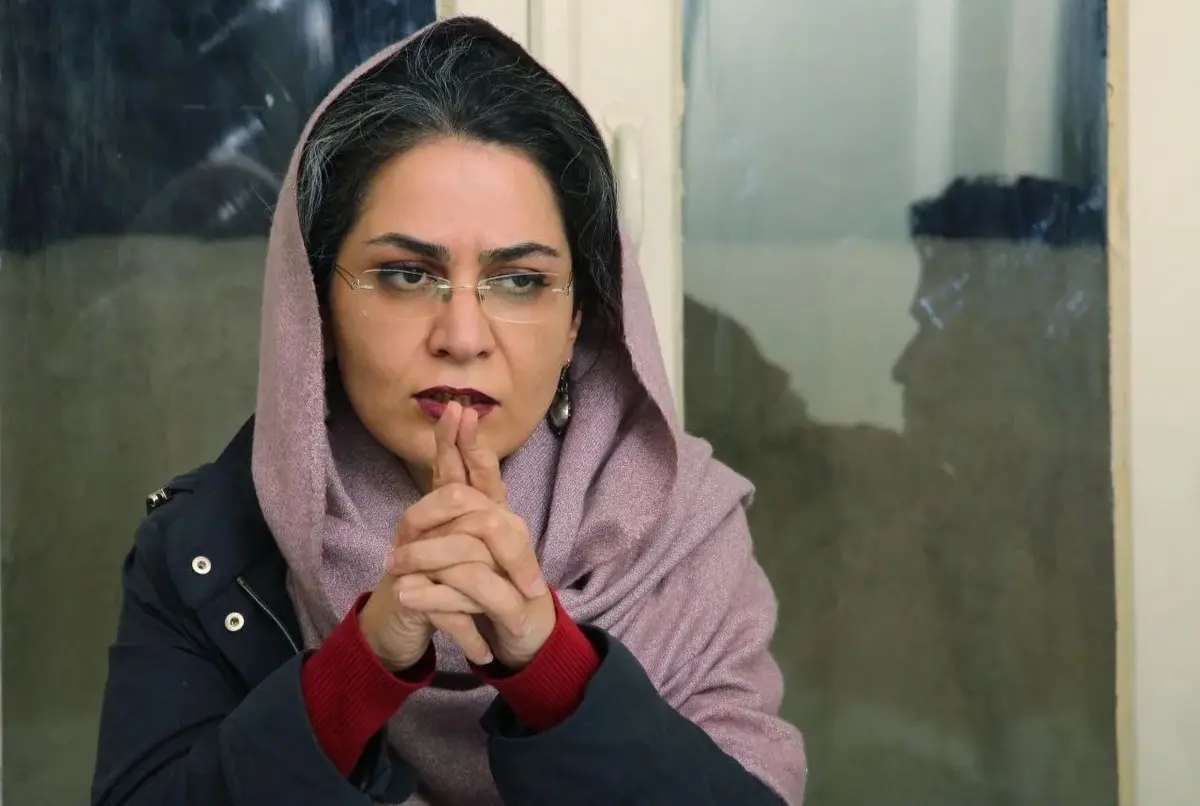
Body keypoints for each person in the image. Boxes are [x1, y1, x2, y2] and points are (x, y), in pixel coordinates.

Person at [90, 16, 806, 806]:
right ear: (317, 306)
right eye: (405, 275)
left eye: (520, 281)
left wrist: (551, 666)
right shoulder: (207, 546)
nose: (463, 337)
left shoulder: (684, 531)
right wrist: (361, 666)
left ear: (577, 322)